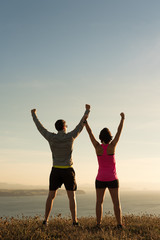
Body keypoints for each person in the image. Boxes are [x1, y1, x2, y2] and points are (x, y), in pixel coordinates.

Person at [31, 104, 90, 226]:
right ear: (64, 127)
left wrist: (34, 114)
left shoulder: (51, 137)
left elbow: (39, 128)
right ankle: (74, 221)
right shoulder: (70, 137)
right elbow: (82, 123)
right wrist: (87, 110)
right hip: (68, 170)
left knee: (51, 196)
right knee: (71, 197)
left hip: (56, 170)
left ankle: (45, 221)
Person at [84, 112, 125, 229]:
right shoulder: (112, 147)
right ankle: (119, 224)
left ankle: (98, 224)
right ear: (110, 137)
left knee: (99, 202)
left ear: (101, 137)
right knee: (116, 203)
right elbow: (119, 132)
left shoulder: (97, 147)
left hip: (100, 179)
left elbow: (90, 134)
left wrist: (86, 123)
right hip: (112, 179)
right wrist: (122, 119)